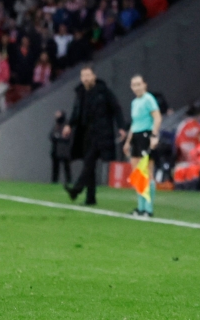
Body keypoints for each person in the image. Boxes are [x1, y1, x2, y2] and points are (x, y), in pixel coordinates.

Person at [63, 65, 126, 206]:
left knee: (89, 162)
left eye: (88, 75)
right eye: (83, 76)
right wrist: (69, 125)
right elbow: (76, 112)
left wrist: (121, 127)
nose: (85, 78)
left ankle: (76, 189)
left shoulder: (104, 92)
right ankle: (90, 198)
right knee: (89, 166)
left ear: (94, 76)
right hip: (86, 134)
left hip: (101, 133)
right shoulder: (80, 93)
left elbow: (116, 109)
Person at [123, 74, 162, 217]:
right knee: (137, 173)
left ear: (145, 85)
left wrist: (154, 135)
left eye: (139, 84)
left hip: (146, 135)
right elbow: (134, 124)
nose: (137, 87)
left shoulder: (148, 99)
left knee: (147, 172)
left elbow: (157, 117)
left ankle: (148, 208)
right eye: (134, 85)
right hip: (136, 136)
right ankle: (140, 207)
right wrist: (128, 141)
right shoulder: (134, 102)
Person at [50, 111, 72, 184]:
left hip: (64, 150)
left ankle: (68, 181)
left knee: (66, 167)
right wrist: (57, 136)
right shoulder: (56, 126)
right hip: (55, 150)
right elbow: (51, 135)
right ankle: (54, 181)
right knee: (55, 168)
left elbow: (67, 137)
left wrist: (58, 137)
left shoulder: (66, 126)